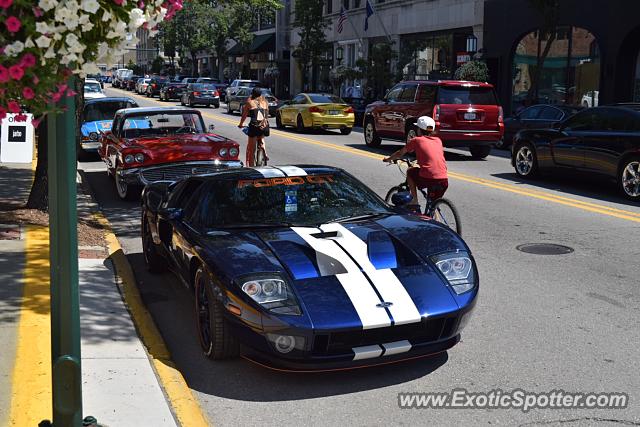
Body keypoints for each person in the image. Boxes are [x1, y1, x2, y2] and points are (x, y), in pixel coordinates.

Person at [383, 116, 448, 208]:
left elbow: (400, 153)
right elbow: (432, 156)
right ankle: (435, 219)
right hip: (443, 180)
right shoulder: (438, 141)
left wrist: (388, 159)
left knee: (410, 172)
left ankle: (414, 200)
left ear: (419, 130)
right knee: (433, 206)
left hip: (429, 178)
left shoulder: (417, 140)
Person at [238, 87, 269, 166]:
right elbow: (266, 116)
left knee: (251, 151)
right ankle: (264, 151)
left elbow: (244, 116)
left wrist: (241, 124)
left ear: (252, 94)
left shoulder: (249, 102)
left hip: (254, 126)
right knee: (261, 137)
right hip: (264, 127)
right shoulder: (265, 102)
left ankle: (251, 168)